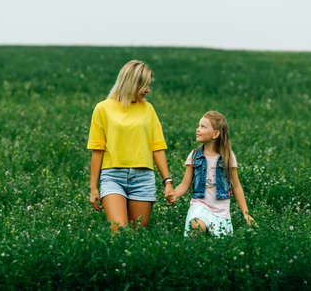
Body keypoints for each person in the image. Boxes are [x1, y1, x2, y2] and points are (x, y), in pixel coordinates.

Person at [87, 60, 174, 232]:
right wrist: (93, 188)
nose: (148, 90)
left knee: (137, 235)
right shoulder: (102, 109)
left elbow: (157, 148)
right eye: (144, 86)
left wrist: (168, 182)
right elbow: (98, 150)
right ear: (131, 84)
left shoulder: (148, 110)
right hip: (112, 177)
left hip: (143, 179)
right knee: (118, 231)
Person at [167, 111, 255, 236]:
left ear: (215, 134)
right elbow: (185, 184)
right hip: (199, 206)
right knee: (197, 226)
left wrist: (246, 214)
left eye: (203, 127)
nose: (198, 129)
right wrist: (175, 194)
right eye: (198, 126)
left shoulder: (228, 157)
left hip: (221, 212)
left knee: (221, 247)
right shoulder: (194, 156)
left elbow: (236, 186)